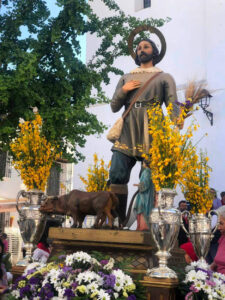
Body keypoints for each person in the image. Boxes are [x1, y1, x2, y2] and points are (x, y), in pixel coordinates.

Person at [109, 37, 180, 223]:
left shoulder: (164, 77)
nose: (141, 49)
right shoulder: (126, 77)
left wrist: (178, 120)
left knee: (148, 175)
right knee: (117, 172)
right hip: (129, 127)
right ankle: (116, 220)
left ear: (154, 52)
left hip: (153, 128)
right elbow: (114, 106)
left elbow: (172, 104)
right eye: (139, 47)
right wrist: (123, 90)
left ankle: (145, 223)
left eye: (146, 46)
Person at [133, 161, 154, 231]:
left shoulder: (147, 172)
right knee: (141, 209)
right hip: (145, 194)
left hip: (145, 195)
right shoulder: (149, 172)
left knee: (142, 209)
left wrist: (140, 186)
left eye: (143, 163)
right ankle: (141, 227)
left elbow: (146, 184)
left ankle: (143, 227)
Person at [211, 206, 225, 274]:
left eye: (221, 224)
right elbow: (215, 263)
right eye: (218, 223)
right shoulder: (222, 238)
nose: (218, 228)